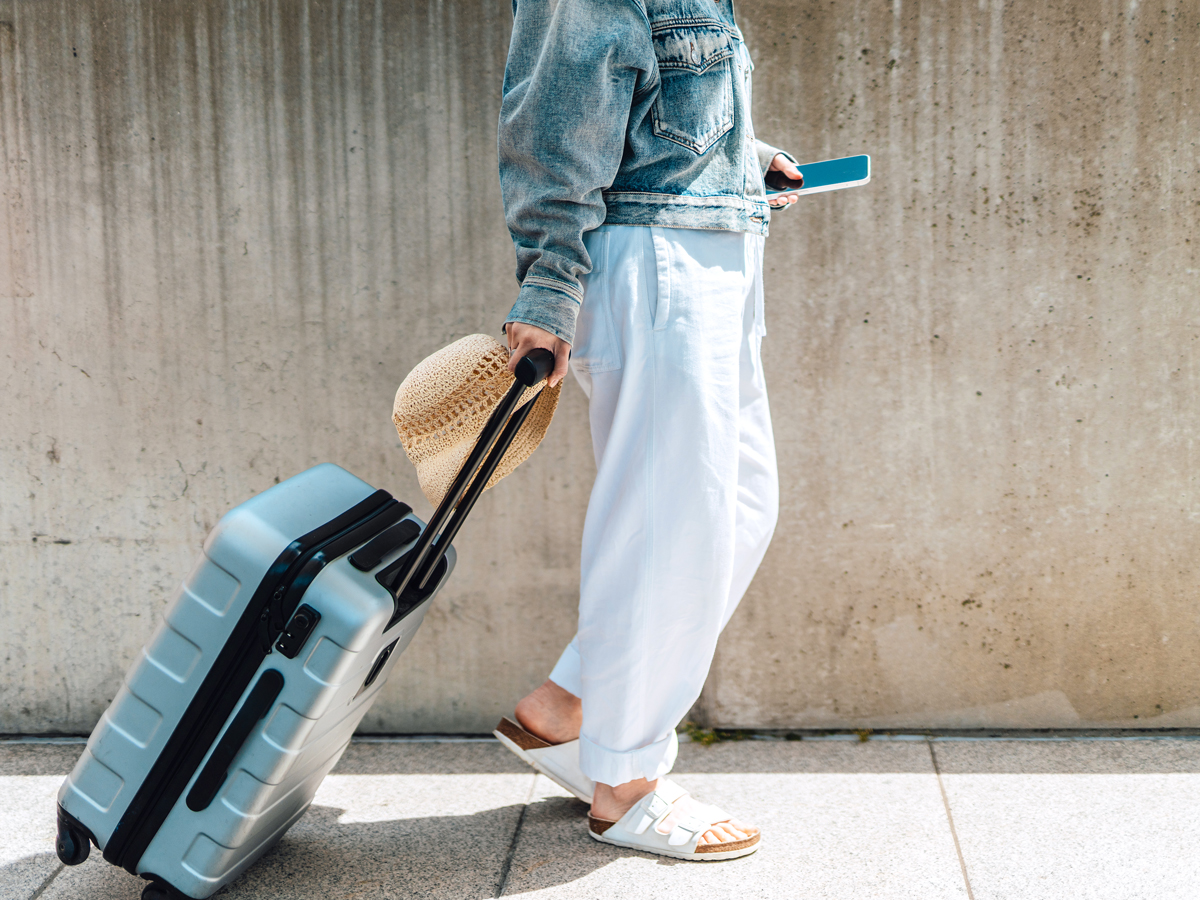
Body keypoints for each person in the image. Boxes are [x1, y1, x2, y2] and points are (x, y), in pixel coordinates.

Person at [495, 0, 801, 861]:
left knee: (738, 510)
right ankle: (624, 784)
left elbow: (657, 111)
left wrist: (748, 160)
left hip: (715, 250)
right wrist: (549, 289)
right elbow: (551, 126)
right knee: (672, 527)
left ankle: (565, 710)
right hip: (653, 265)